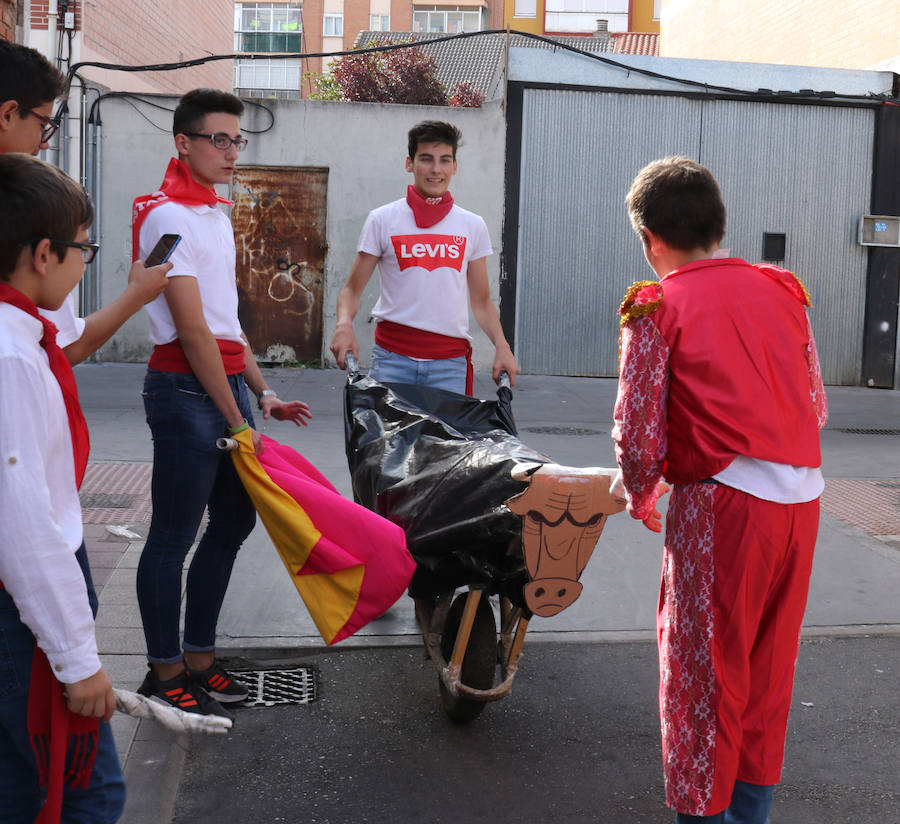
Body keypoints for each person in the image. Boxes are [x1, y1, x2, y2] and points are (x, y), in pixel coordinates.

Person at [611, 156, 828, 824]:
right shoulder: (781, 290)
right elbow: (815, 404)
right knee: (767, 677)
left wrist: (641, 495)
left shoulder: (656, 304)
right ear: (719, 222)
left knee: (703, 680)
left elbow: (638, 433)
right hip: (802, 500)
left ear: (651, 238)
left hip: (724, 503)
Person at [132, 88, 312, 717]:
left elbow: (227, 324)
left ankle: (201, 658)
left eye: (238, 139)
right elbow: (191, 330)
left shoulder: (212, 213)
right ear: (184, 143)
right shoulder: (165, 218)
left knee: (234, 521)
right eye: (220, 139)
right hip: (184, 390)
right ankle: (165, 670)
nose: (233, 150)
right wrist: (236, 418)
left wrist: (263, 394)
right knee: (173, 537)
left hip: (225, 386)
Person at [0, 153, 128, 823]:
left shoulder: (21, 341)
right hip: (23, 613)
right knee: (84, 794)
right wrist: (77, 661)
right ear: (44, 254)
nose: (87, 264)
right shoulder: (13, 359)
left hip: (26, 606)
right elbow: (23, 530)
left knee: (22, 789)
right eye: (84, 248)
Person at [0, 38, 167, 365]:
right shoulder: (31, 206)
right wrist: (135, 297)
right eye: (43, 125)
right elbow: (63, 348)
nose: (43, 145)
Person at [329, 120, 518, 394]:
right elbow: (351, 291)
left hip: (449, 365)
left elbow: (481, 302)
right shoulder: (382, 220)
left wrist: (502, 347)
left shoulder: (472, 225)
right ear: (410, 163)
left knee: (446, 439)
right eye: (426, 159)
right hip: (392, 359)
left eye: (445, 160)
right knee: (391, 439)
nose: (436, 170)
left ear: (455, 166)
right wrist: (343, 325)